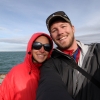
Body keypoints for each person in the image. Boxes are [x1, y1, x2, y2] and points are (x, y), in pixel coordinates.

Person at [36, 11, 100, 100]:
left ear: (73, 28)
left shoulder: (97, 50)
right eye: (54, 30)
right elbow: (49, 88)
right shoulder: (50, 65)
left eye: (63, 26)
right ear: (51, 36)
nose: (60, 32)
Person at [0, 32, 53, 100]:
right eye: (37, 46)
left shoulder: (53, 72)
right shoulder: (15, 72)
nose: (42, 50)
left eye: (47, 47)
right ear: (30, 47)